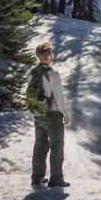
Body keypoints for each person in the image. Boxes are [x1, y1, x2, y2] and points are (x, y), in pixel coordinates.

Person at [25, 42, 70, 188]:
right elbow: (59, 97)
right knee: (56, 146)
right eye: (49, 53)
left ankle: (37, 177)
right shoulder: (53, 74)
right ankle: (56, 178)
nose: (49, 56)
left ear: (38, 56)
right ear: (48, 56)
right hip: (52, 115)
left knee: (40, 145)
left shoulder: (32, 72)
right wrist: (65, 113)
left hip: (38, 113)